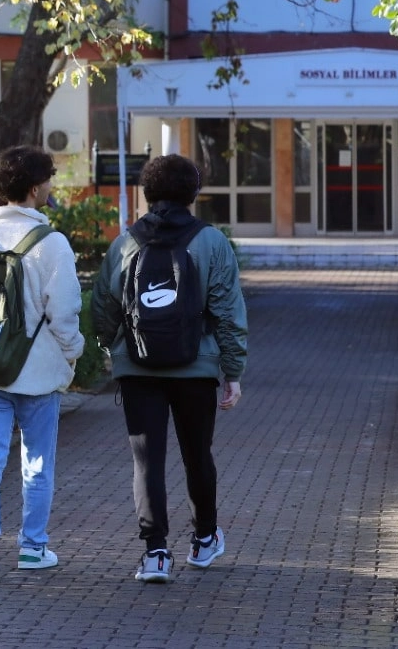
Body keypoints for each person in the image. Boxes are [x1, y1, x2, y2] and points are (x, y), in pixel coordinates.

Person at [91, 154, 247, 584]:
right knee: (198, 455)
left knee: (147, 462)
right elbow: (229, 312)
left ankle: (156, 553)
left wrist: (114, 350)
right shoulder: (212, 242)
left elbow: (103, 305)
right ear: (193, 195)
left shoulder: (125, 242)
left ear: (147, 192)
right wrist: (231, 371)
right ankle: (204, 539)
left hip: (137, 368)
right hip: (195, 369)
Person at [0, 145, 85, 578]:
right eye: (47, 178)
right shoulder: (52, 244)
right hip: (38, 373)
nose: (50, 186)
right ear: (34, 188)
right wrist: (73, 352)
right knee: (38, 462)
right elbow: (64, 313)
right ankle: (32, 548)